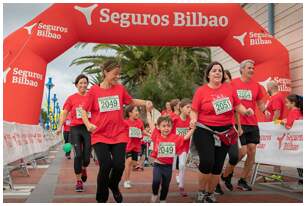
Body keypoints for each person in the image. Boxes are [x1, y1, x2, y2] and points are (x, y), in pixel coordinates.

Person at [80, 60, 153, 203]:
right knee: (106, 165)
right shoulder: (94, 91)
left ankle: (113, 185)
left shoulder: (119, 89)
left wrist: (145, 102)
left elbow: (130, 101)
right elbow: (83, 110)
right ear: (106, 72)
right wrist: (88, 124)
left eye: (119, 75)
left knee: (119, 165)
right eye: (115, 74)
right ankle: (101, 198)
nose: (117, 77)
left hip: (119, 134)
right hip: (100, 135)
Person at [190, 61, 254, 203]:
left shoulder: (229, 89)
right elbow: (194, 110)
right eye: (214, 71)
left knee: (218, 165)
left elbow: (238, 105)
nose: (217, 73)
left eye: (220, 70)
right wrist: (193, 119)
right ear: (208, 75)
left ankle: (210, 193)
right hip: (204, 129)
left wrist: (246, 111)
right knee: (207, 161)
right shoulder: (201, 91)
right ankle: (201, 192)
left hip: (225, 131)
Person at [220, 59, 267, 192]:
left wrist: (265, 110)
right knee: (242, 151)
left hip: (252, 123)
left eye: (253, 68)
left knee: (252, 151)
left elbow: (260, 102)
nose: (252, 70)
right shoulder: (233, 83)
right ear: (242, 70)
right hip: (237, 123)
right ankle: (226, 175)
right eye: (249, 68)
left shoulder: (257, 86)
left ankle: (243, 180)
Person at [147, 107, 194, 203]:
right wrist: (148, 111)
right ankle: (155, 193)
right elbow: (151, 123)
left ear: (171, 127)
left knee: (165, 185)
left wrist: (193, 128)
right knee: (156, 181)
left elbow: (185, 137)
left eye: (168, 126)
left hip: (168, 166)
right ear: (159, 127)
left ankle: (163, 199)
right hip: (158, 165)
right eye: (163, 126)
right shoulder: (156, 135)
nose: (166, 128)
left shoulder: (175, 137)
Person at [56, 74, 91, 192]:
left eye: (85, 82)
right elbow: (64, 113)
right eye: (80, 83)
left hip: (87, 129)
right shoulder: (71, 98)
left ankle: (84, 167)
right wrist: (59, 127)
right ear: (76, 85)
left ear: (87, 84)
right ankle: (78, 181)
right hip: (75, 129)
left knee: (86, 157)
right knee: (78, 155)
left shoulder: (91, 97)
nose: (83, 85)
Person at [215, 70, 243, 195]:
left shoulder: (232, 93)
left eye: (228, 78)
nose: (226, 81)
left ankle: (226, 176)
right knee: (217, 160)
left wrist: (239, 127)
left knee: (234, 156)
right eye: (224, 79)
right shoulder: (214, 93)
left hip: (231, 129)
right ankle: (215, 185)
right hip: (216, 130)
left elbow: (237, 111)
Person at [122, 105, 149, 188]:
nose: (137, 113)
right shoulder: (125, 122)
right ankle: (126, 181)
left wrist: (150, 134)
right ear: (130, 113)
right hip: (127, 145)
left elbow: (143, 131)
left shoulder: (140, 122)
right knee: (129, 161)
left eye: (138, 111)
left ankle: (123, 165)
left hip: (136, 146)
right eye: (135, 111)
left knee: (134, 163)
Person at [264, 80, 285, 181]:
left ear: (271, 88)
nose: (266, 90)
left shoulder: (276, 97)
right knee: (275, 150)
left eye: (267, 88)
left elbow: (277, 113)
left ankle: (277, 173)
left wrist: (272, 125)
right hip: (277, 127)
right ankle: (276, 173)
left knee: (275, 150)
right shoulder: (277, 96)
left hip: (276, 128)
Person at [172, 98, 192, 197]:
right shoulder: (174, 119)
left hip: (184, 147)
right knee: (169, 167)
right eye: (187, 107)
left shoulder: (191, 121)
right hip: (173, 146)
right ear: (180, 108)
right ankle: (163, 182)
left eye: (191, 108)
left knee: (182, 165)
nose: (189, 109)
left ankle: (181, 186)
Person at [281, 94, 303, 185]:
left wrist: (282, 122)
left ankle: (302, 178)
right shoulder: (300, 111)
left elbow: (288, 125)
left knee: (299, 160)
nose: (285, 105)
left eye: (287, 103)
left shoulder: (294, 111)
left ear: (293, 103)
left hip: (298, 141)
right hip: (301, 139)